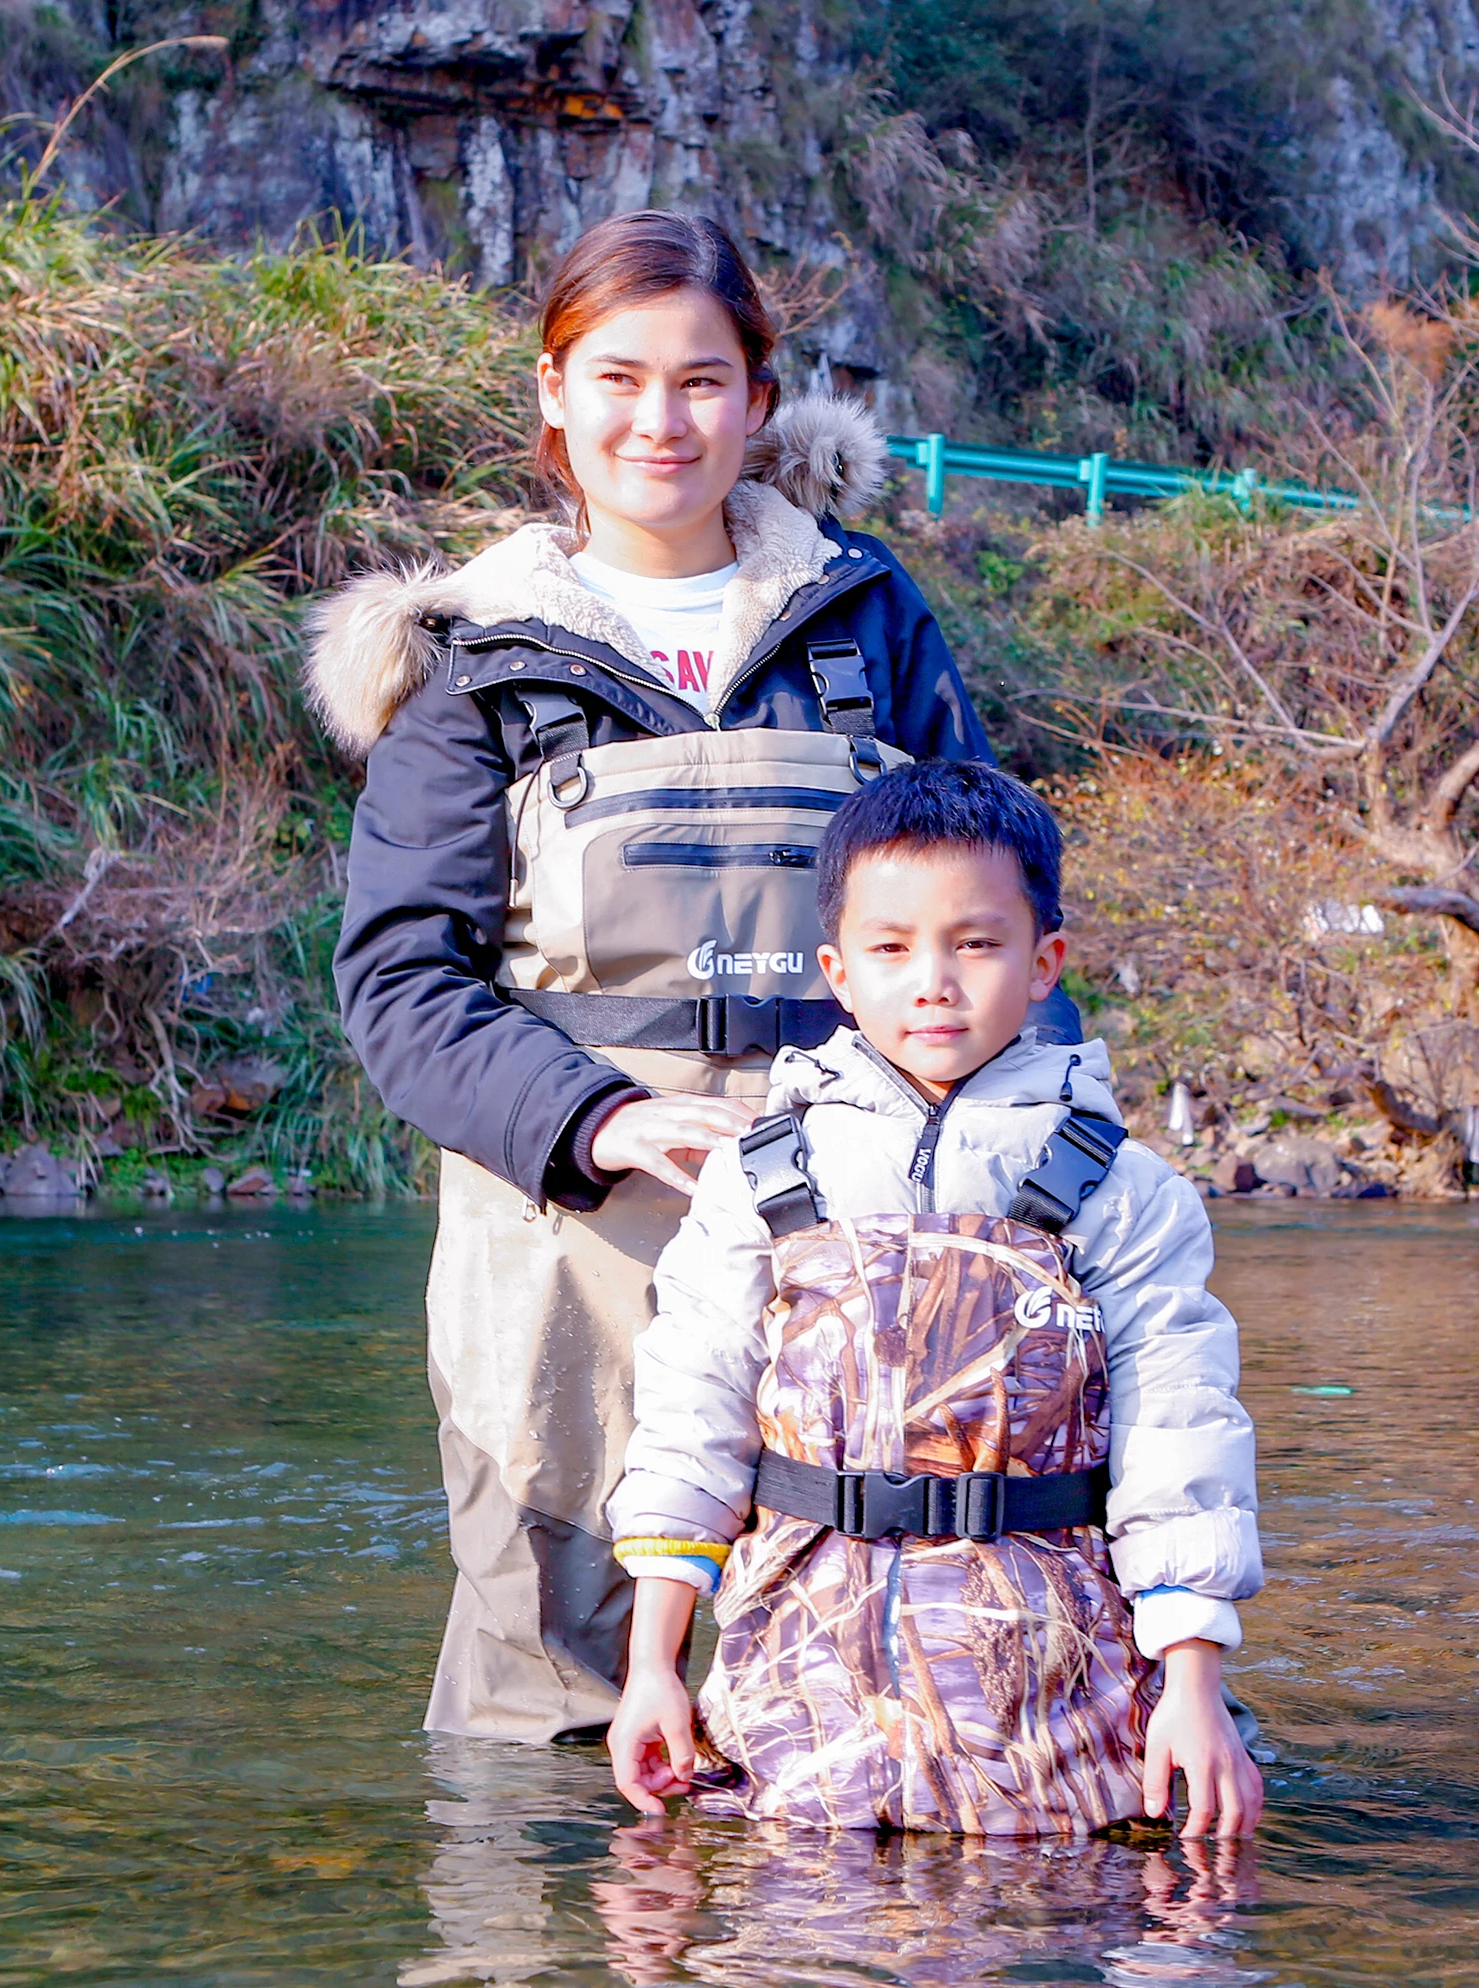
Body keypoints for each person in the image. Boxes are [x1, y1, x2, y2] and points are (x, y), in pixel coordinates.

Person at [304, 210, 1025, 1743]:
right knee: (552, 1677)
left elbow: (993, 907)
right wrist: (602, 1122)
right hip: (568, 1235)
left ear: (760, 404)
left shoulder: (870, 620)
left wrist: (1050, 1155)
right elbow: (400, 984)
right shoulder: (473, 660)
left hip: (855, 1216)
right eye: (618, 378)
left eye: (703, 381)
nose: (661, 419)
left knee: (848, 1660)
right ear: (553, 395)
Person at [606, 760, 1264, 1838]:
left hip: (1054, 1693)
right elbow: (689, 1422)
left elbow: (1181, 1436)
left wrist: (1191, 1679)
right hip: (798, 1680)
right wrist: (651, 1665)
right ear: (835, 968)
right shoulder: (758, 1176)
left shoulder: (1125, 1191)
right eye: (891, 946)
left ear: (1044, 959)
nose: (933, 982)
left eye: (975, 942)